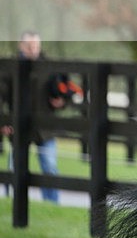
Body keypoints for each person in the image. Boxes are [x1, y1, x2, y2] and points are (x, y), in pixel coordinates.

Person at [1, 31, 82, 203]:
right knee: (14, 168)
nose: (33, 49)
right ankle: (11, 202)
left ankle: (52, 204)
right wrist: (4, 122)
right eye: (29, 46)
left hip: (45, 128)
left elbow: (64, 92)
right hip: (18, 127)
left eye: (36, 45)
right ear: (21, 46)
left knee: (50, 168)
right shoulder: (9, 68)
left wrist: (61, 102)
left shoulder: (51, 67)